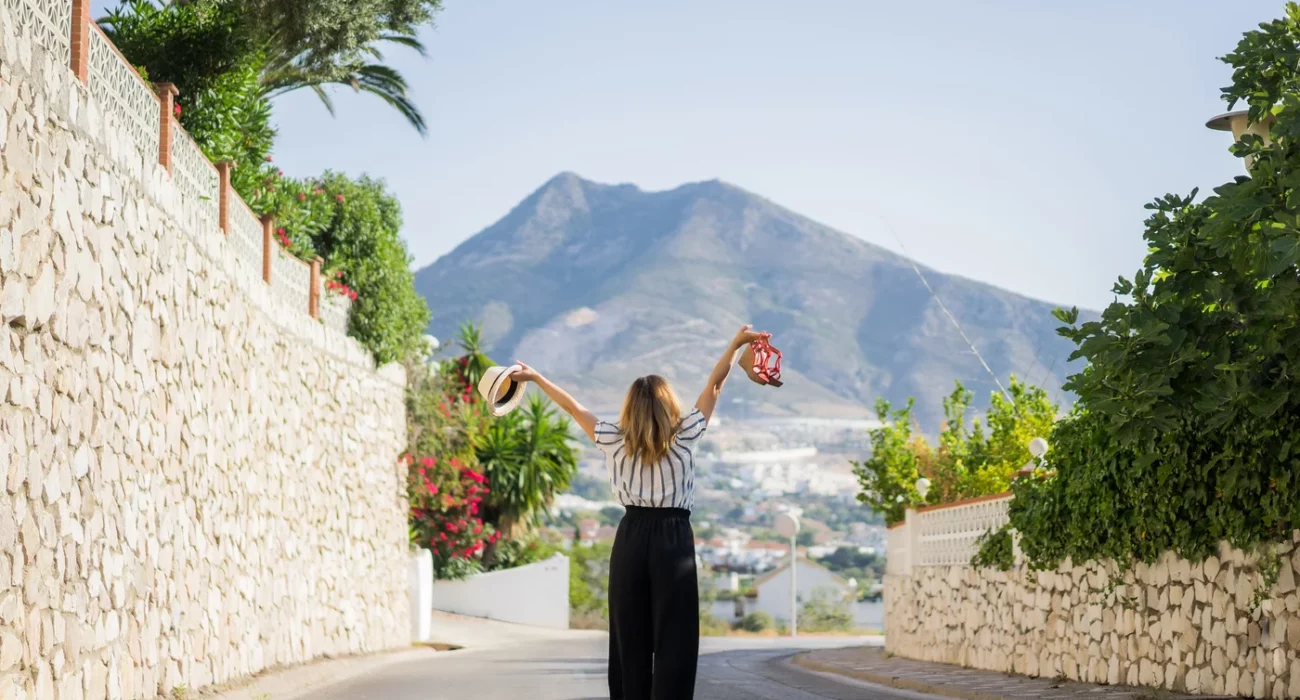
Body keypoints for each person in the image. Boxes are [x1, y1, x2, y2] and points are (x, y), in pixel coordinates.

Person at [511, 324, 769, 700]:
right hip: (674, 538)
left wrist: (536, 377)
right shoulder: (685, 435)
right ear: (669, 405)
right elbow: (714, 386)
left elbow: (571, 406)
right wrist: (735, 345)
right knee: (674, 635)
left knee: (629, 634)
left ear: (630, 406)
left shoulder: (613, 438)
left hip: (631, 534)